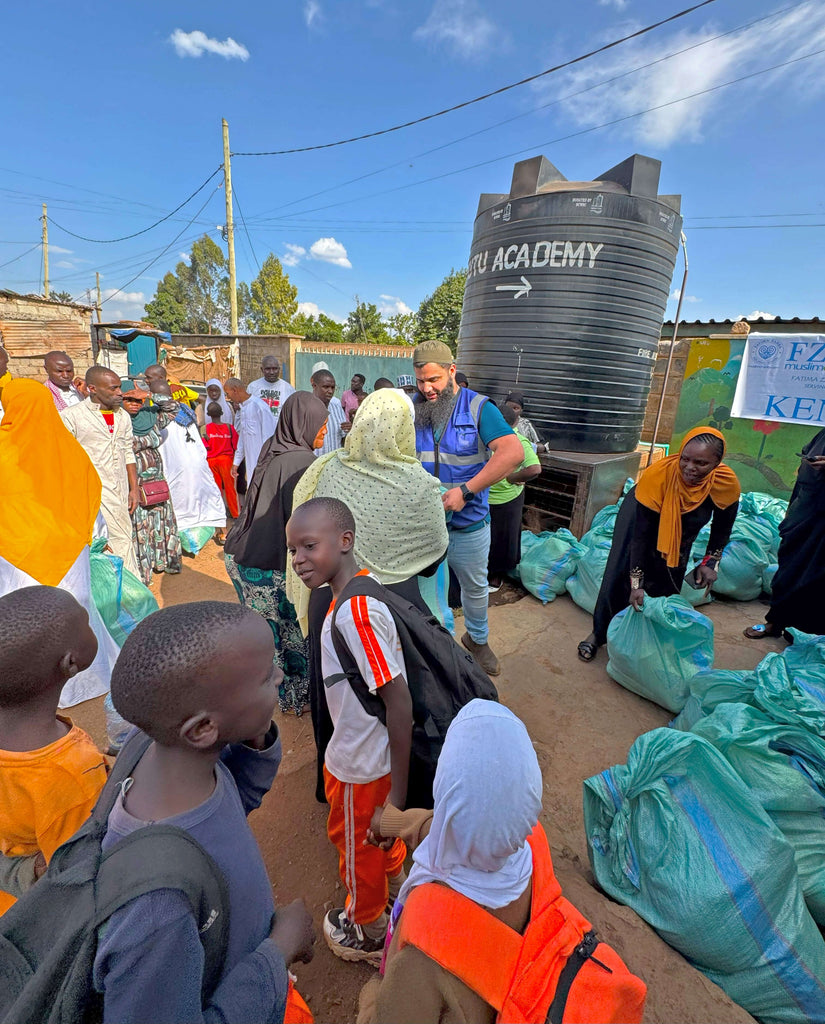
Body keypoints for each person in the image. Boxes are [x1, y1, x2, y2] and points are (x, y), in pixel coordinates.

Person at [94, 601, 316, 1022]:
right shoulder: (155, 909)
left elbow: (233, 804)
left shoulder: (176, 764)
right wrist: (278, 952)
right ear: (201, 729)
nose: (281, 676)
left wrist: (256, 738)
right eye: (266, 675)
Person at [288, 388, 449, 800]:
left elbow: (302, 524)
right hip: (396, 604)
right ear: (404, 429)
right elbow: (433, 554)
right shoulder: (421, 485)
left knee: (336, 690)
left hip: (332, 597)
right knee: (398, 694)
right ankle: (402, 793)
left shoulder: (326, 469)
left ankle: (336, 782)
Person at [357, 700, 542, 1024]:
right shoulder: (527, 847)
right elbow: (449, 827)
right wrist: (389, 823)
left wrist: (372, 993)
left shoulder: (420, 964)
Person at [285, 498, 412, 965]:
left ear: (345, 541)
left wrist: (397, 797)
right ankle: (398, 888)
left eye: (309, 546)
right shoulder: (356, 591)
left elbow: (399, 702)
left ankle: (369, 928)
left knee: (358, 850)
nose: (298, 560)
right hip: (360, 753)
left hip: (364, 764)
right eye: (293, 550)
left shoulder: (354, 613)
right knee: (377, 843)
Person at [0, 379, 120, 708]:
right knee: (73, 612)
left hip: (15, 557)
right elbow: (90, 497)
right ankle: (80, 681)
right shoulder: (67, 446)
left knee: (24, 624)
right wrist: (95, 538)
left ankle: (32, 688)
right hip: (70, 553)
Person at [578, 428, 741, 662]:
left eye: (701, 463)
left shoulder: (725, 484)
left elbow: (723, 527)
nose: (689, 468)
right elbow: (640, 538)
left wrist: (710, 562)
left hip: (682, 534)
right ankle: (599, 633)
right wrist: (637, 584)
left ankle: (646, 637)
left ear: (717, 463)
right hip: (641, 516)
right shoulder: (657, 478)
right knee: (620, 572)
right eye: (685, 458)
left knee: (669, 576)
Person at [413, 340, 524, 677]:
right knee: (428, 592)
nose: (427, 389)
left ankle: (477, 640)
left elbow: (512, 453)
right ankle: (440, 652)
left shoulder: (479, 408)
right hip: (427, 526)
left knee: (474, 589)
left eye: (434, 380)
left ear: (451, 371)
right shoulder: (413, 409)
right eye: (420, 381)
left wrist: (466, 490)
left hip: (469, 524)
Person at [0, 587, 107, 915]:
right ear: (70, 662)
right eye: (86, 621)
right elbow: (76, 875)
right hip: (36, 912)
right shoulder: (73, 774)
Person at [225, 393, 329, 716]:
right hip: (271, 568)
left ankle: (278, 694)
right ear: (305, 425)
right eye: (322, 428)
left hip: (244, 558)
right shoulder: (303, 463)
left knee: (269, 637)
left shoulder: (275, 446)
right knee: (295, 633)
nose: (325, 434)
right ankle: (297, 699)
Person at [61, 367, 141, 579]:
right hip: (92, 492)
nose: (119, 393)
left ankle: (129, 589)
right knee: (108, 542)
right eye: (113, 388)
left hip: (121, 488)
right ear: (93, 389)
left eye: (119, 388)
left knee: (123, 537)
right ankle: (130, 592)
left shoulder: (122, 416)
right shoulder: (72, 417)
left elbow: (127, 452)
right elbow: (65, 459)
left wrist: (134, 488)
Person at [745, 428, 825, 639]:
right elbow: (802, 474)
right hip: (805, 510)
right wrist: (791, 510)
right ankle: (775, 622)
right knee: (789, 568)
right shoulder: (822, 435)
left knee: (816, 578)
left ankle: (807, 635)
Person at [120, 379, 183, 584]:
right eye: (128, 399)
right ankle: (143, 570)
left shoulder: (152, 417)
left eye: (137, 400)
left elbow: (174, 407)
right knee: (140, 523)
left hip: (156, 478)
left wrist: (148, 395)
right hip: (133, 480)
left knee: (160, 520)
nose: (134, 403)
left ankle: (163, 562)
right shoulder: (118, 420)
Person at [156, 386, 226, 551]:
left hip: (189, 466)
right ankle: (222, 532)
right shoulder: (188, 415)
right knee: (212, 494)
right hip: (202, 463)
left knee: (194, 497)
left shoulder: (161, 417)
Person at [487, 404, 542, 591]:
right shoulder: (487, 439)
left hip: (506, 499)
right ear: (516, 421)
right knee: (490, 537)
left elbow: (534, 468)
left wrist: (512, 477)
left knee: (502, 538)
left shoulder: (518, 441)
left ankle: (496, 575)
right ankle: (488, 571)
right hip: (486, 497)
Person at [224, 378, 276, 483]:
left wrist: (264, 464)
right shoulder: (243, 409)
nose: (227, 397)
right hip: (251, 466)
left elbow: (270, 438)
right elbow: (243, 439)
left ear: (235, 390)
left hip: (263, 466)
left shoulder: (260, 407)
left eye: (227, 393)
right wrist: (236, 463)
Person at [204, 401, 240, 524]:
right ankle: (236, 514)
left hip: (211, 461)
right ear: (222, 413)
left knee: (215, 489)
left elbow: (203, 447)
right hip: (227, 461)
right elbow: (236, 446)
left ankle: (218, 515)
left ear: (208, 414)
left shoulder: (205, 429)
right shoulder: (230, 428)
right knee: (230, 488)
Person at [248, 355, 296, 426]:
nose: (272, 372)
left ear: (279, 369)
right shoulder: (253, 387)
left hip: (279, 431)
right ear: (262, 369)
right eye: (268, 369)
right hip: (258, 430)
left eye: (274, 369)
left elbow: (293, 413)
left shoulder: (288, 389)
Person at [311, 368, 347, 456]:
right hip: (312, 464)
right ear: (314, 386)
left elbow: (343, 438)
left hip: (333, 464)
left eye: (333, 387)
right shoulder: (304, 409)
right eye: (326, 387)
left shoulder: (337, 408)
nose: (330, 391)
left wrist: (349, 431)